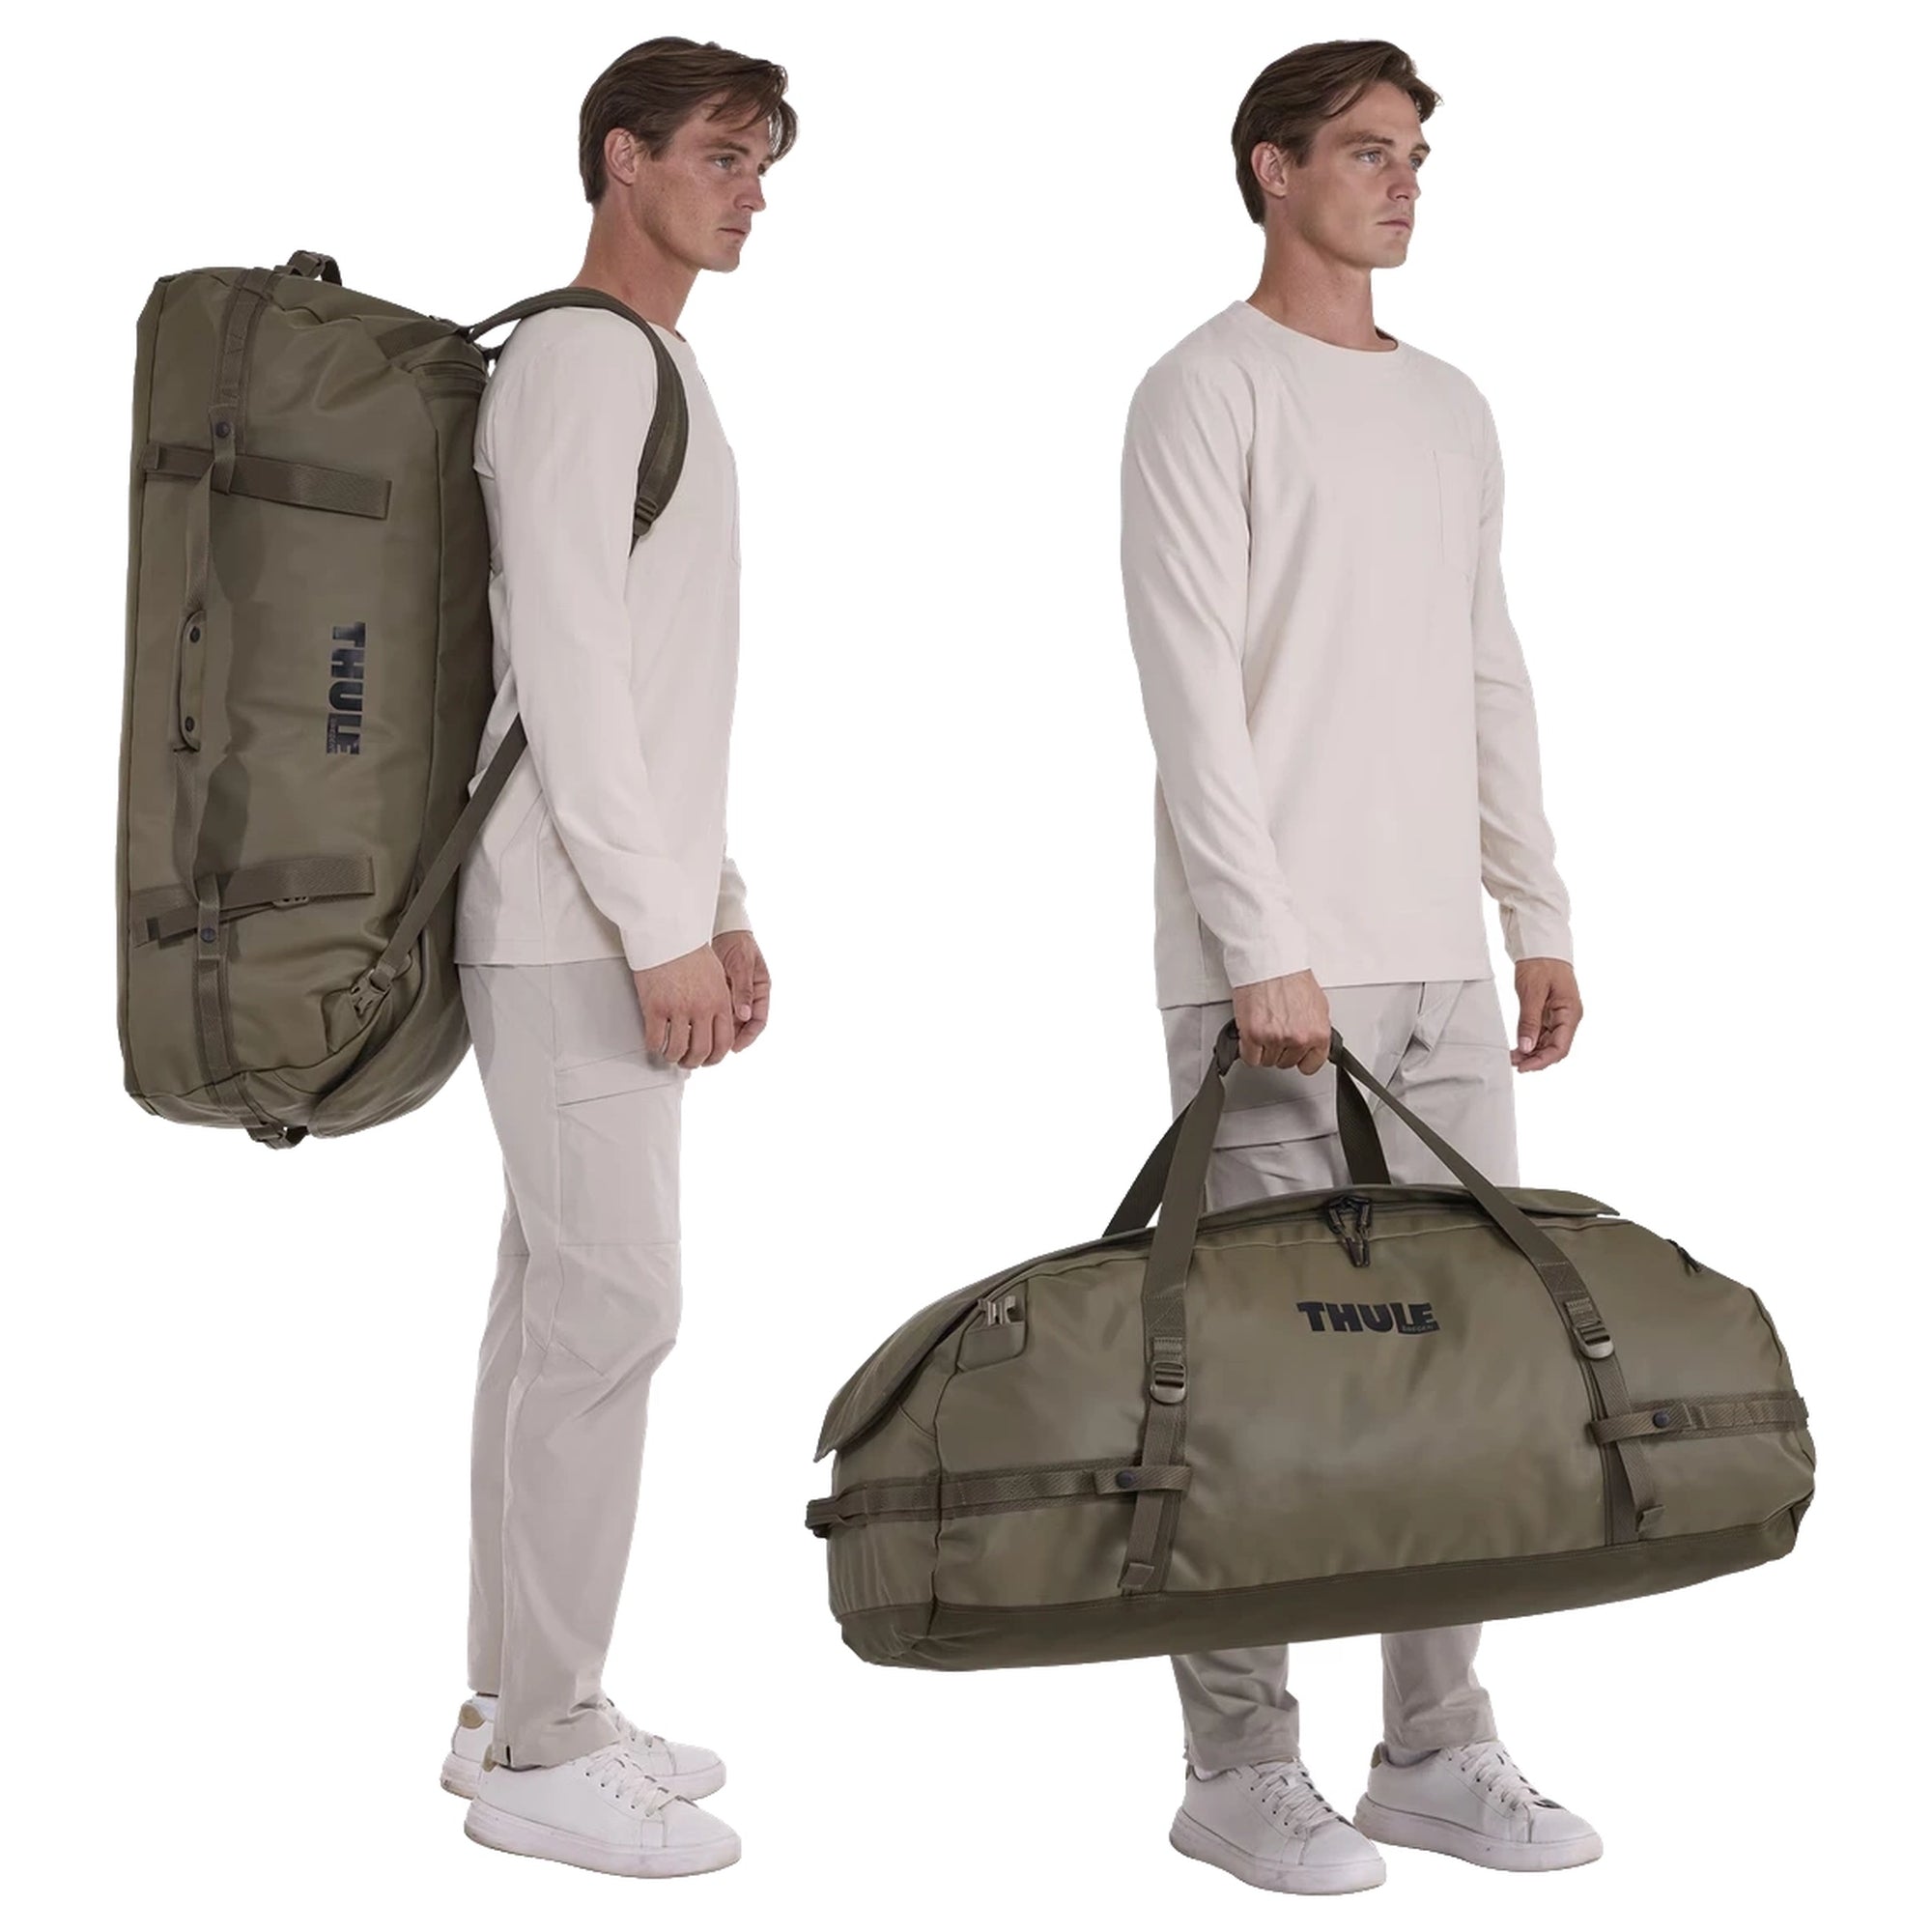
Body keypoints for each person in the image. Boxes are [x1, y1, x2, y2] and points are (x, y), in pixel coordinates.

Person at [1119, 39, 1602, 1894]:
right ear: (1272, 168)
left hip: (1441, 971)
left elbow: (1489, 663)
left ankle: (1435, 1746)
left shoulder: (1453, 407)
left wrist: (1532, 907)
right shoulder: (1203, 390)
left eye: (1416, 156)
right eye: (1368, 151)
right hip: (1276, 979)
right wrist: (1266, 950)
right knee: (1259, 1381)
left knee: (1460, 1372)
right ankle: (1239, 1766)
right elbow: (1192, 695)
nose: (1403, 183)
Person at [437, 35, 793, 1881]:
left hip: (606, 909)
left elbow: (659, 687)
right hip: (570, 923)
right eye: (722, 154)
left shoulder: (653, 367)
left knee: (554, 1310)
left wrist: (713, 899)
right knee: (613, 1313)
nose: (753, 191)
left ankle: (512, 1701)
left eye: (765, 162)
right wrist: (657, 928)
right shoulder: (585, 362)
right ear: (620, 157)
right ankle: (547, 1743)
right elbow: (566, 668)